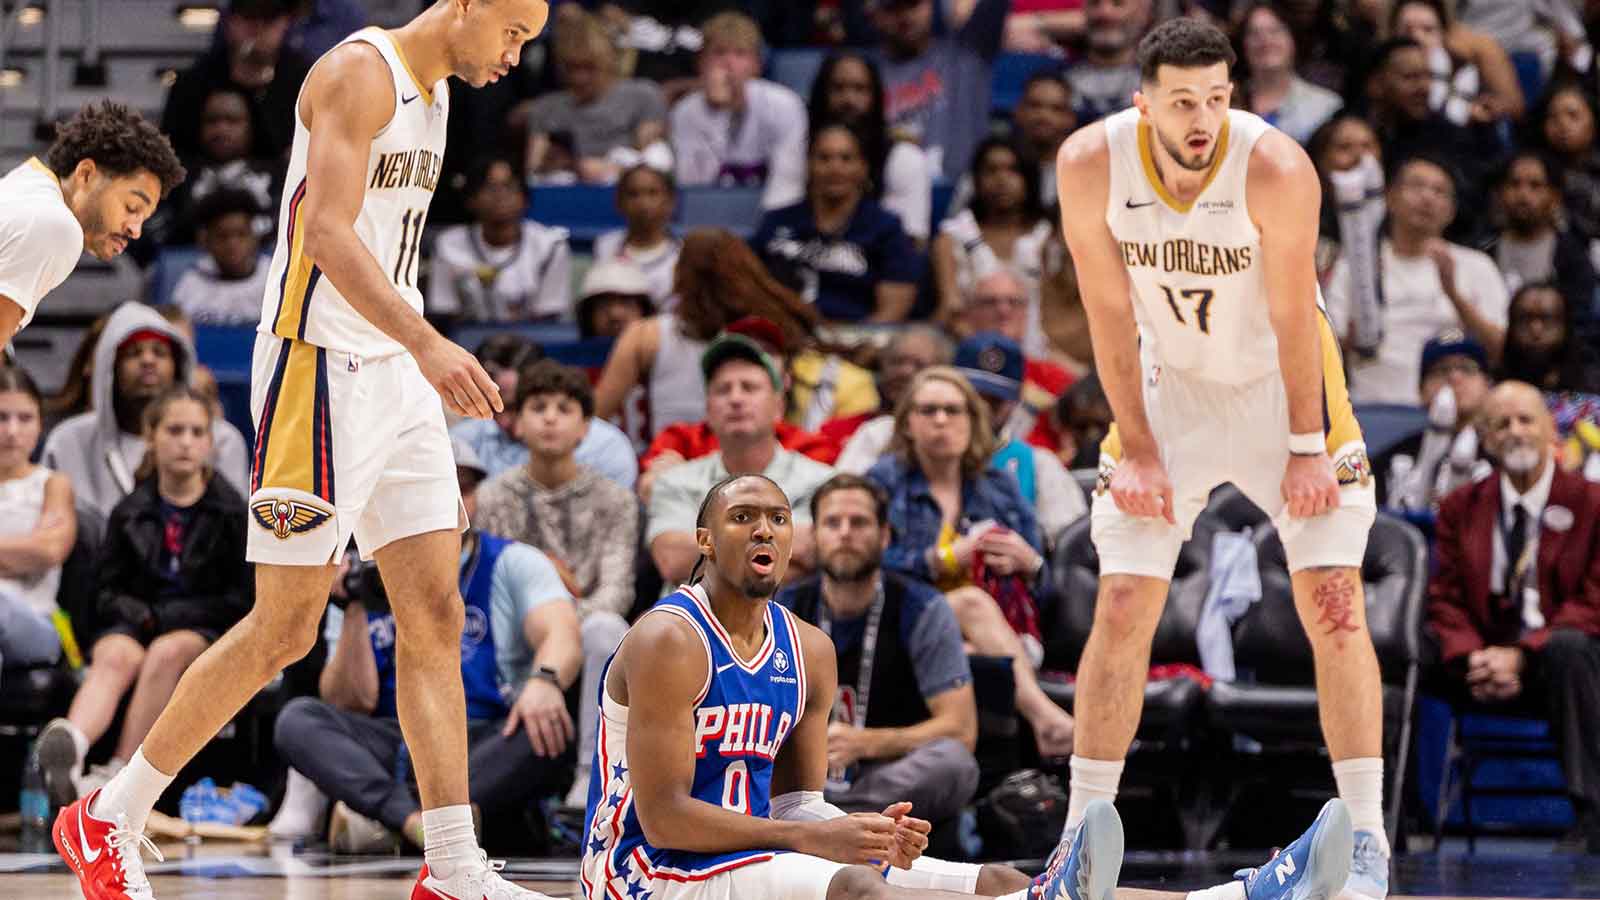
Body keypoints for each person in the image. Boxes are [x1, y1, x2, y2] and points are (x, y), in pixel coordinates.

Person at [49, 4, 563, 900]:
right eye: (513, 33)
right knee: (286, 628)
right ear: (469, 3)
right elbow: (324, 231)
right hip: (316, 368)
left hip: (394, 367)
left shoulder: (438, 92)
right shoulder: (358, 74)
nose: (515, 59)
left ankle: (450, 870)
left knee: (434, 613)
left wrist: (415, 350)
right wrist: (433, 343)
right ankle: (109, 815)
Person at [584, 471, 1355, 900]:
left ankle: (1237, 898)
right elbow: (665, 819)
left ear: (795, 539)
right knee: (859, 889)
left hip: (749, 855)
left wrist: (860, 827)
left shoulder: (806, 649)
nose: (763, 531)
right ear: (705, 540)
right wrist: (820, 840)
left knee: (995, 880)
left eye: (778, 518)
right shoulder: (666, 639)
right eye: (743, 517)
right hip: (643, 873)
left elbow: (794, 802)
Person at [1054, 17, 1388, 898]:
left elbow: (1291, 317)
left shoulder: (1275, 166)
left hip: (1287, 391)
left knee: (1334, 605)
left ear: (1231, 94)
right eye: (1180, 102)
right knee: (1123, 603)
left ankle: (1368, 843)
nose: (1201, 119)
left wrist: (1307, 450)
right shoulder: (1091, 163)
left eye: (1215, 98)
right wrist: (1142, 447)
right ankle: (1078, 835)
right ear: (1142, 103)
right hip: (1171, 389)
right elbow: (1105, 312)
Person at [274, 437, 581, 852]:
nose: (453, 500)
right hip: (392, 738)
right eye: (436, 487)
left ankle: (390, 820)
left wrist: (544, 680)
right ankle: (423, 822)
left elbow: (562, 631)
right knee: (298, 720)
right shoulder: (364, 573)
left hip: (481, 738)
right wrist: (352, 610)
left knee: (547, 732)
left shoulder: (512, 560)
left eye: (465, 488)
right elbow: (348, 700)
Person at [36, 386, 249, 806]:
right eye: (174, 430)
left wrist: (167, 617)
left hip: (201, 628)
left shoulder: (231, 514)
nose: (185, 441)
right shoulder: (131, 510)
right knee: (116, 654)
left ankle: (118, 773)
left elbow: (240, 600)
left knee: (166, 654)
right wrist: (137, 616)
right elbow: (104, 590)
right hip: (138, 623)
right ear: (152, 437)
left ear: (209, 442)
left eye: (195, 431)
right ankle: (71, 747)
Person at [863, 366, 1076, 758]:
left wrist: (1030, 563)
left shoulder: (999, 486)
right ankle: (1047, 719)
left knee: (978, 655)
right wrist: (944, 558)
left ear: (972, 421)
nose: (941, 420)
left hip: (992, 632)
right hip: (905, 622)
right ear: (907, 423)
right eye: (928, 411)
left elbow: (1047, 589)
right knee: (970, 603)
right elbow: (868, 567)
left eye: (952, 410)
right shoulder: (882, 482)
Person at [1425, 380, 1600, 854]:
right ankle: (1387, 816)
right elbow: (1445, 598)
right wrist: (1473, 657)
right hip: (1480, 657)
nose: (1515, 432)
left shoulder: (1591, 501)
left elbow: (1593, 600)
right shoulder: (1462, 507)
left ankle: (1591, 819)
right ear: (1485, 439)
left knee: (1573, 650)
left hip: (1557, 658)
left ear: (1550, 431)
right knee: (1410, 649)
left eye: (1526, 420)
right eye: (1501, 423)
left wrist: (1522, 656)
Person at [473, 360, 637, 809]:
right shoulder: (491, 497)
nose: (549, 417)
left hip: (583, 635)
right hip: (509, 632)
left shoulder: (615, 500)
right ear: (516, 423)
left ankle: (593, 774)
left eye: (564, 408)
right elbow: (484, 583)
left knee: (608, 626)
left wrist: (557, 620)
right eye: (538, 406)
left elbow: (617, 589)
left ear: (586, 428)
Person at [776, 474, 980, 824]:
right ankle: (833, 824)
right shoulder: (784, 608)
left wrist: (868, 742)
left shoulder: (922, 608)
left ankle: (832, 826)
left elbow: (960, 729)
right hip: (802, 781)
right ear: (813, 537)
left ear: (885, 536)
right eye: (832, 523)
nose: (844, 533)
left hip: (884, 778)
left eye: (859, 523)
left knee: (953, 763)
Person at [593, 228, 827, 442]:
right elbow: (595, 419)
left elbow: (595, 416)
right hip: (670, 466)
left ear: (679, 276)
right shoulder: (647, 336)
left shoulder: (768, 332)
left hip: (747, 461)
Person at [646, 333, 835, 589]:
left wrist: (709, 551)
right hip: (688, 625)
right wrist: (777, 545)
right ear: (708, 410)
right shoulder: (676, 482)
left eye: (749, 387)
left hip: (785, 624)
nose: (735, 399)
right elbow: (672, 558)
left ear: (778, 405)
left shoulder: (821, 482)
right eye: (723, 389)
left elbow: (814, 548)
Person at [1324, 155, 1510, 405]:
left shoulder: (1476, 265)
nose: (1427, 197)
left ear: (1451, 210)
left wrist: (1454, 294)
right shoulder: (1354, 266)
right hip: (1373, 405)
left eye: (1439, 191)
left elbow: (1501, 350)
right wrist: (1354, 334)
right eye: (1416, 186)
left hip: (1453, 409)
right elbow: (1325, 352)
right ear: (1389, 198)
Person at [41, 302, 250, 521]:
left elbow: (233, 529)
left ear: (178, 365)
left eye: (159, 353)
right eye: (133, 353)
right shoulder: (68, 441)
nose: (148, 360)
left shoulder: (222, 439)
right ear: (110, 368)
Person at [0, 101, 183, 341]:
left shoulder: (25, 184)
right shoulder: (56, 226)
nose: (136, 230)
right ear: (86, 174)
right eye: (132, 207)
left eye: (144, 218)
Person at [750, 122, 923, 324]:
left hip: (854, 340)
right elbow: (747, 287)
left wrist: (852, 345)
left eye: (846, 158)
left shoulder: (886, 228)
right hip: (782, 335)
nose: (835, 168)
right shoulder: (776, 221)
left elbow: (892, 310)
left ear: (863, 167)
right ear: (809, 165)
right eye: (824, 158)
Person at [764, 50, 934, 243]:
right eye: (838, 88)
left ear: (876, 97)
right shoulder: (796, 151)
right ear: (822, 94)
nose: (849, 100)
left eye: (860, 89)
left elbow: (910, 244)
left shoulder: (904, 157)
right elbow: (776, 227)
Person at [449, 335, 639, 488]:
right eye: (494, 408)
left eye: (516, 408)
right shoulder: (460, 441)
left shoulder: (606, 447)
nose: (507, 422)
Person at [525, 10, 669, 184]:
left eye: (589, 67)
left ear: (609, 61)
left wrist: (603, 169)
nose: (579, 78)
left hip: (624, 186)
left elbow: (652, 164)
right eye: (572, 67)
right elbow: (533, 172)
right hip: (569, 191)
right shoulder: (545, 109)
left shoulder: (643, 95)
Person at [933, 138, 1053, 344]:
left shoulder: (1049, 237)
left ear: (1029, 178)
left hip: (1042, 348)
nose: (1001, 180)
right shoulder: (952, 236)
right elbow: (951, 309)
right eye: (991, 170)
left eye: (1013, 170)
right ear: (976, 180)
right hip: (968, 346)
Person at [159, 0, 313, 161]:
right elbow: (171, 157)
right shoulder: (193, 84)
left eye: (269, 19)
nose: (257, 27)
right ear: (229, 21)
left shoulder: (307, 82)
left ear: (286, 22)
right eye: (249, 17)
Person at [670, 12, 807, 190]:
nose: (728, 63)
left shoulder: (785, 105)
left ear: (757, 65)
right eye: (719, 52)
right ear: (701, 63)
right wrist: (716, 113)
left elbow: (789, 180)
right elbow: (693, 185)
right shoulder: (685, 111)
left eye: (740, 53)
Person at [427, 156, 573, 322]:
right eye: (490, 187)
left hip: (534, 343)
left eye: (509, 186)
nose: (500, 195)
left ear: (524, 197)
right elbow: (443, 313)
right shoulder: (447, 245)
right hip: (463, 344)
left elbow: (549, 317)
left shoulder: (551, 245)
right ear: (470, 199)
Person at [874, 0, 1010, 179]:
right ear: (874, 14)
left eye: (913, 5)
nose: (905, 17)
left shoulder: (969, 52)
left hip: (964, 190)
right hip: (888, 189)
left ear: (931, 5)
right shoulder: (860, 71)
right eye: (892, 8)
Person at [0, 368, 76, 672]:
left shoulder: (53, 484)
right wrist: (19, 553)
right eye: (2, 417)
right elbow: (32, 550)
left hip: (38, 622)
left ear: (41, 423)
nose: (12, 431)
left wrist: (33, 551)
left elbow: (48, 551)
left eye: (25, 418)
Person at [1375, 332, 1494, 510]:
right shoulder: (1395, 459)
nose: (1454, 378)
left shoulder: (1500, 457)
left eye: (1467, 368)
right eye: (1441, 370)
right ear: (1421, 391)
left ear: (1488, 385)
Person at [1480, 149, 1597, 310]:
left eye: (1535, 186)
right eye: (1514, 184)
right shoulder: (1483, 252)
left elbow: (1578, 320)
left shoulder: (1573, 258)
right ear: (1501, 194)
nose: (1523, 195)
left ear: (1555, 197)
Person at [1388, 0, 1524, 127]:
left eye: (1428, 30)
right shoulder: (1382, 75)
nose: (1417, 38)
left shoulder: (1465, 67)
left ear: (1443, 35)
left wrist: (1487, 110)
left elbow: (1513, 107)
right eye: (1407, 30)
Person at [826, 326, 953, 455]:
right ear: (883, 364)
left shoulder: (949, 436)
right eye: (897, 362)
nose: (904, 372)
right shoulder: (839, 429)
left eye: (919, 365)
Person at [1232, 2, 1343, 145]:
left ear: (1293, 40)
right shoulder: (1227, 104)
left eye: (1275, 31)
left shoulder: (1326, 107)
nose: (1265, 40)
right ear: (1243, 46)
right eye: (1254, 33)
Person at [170, 188, 271, 325]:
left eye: (241, 234)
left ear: (254, 237)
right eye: (222, 236)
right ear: (205, 241)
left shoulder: (274, 278)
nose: (232, 244)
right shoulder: (192, 284)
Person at [592, 165, 681, 305]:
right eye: (633, 194)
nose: (643, 202)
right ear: (619, 202)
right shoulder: (604, 246)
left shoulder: (682, 253)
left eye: (653, 193)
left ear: (670, 201)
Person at [1533, 81, 1600, 242]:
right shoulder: (1533, 170)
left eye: (1573, 115)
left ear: (1593, 122)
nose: (1562, 124)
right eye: (1553, 117)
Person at [1063, 0, 1149, 123]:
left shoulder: (1162, 80)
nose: (1105, 13)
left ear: (1142, 13)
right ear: (1084, 12)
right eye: (1094, 3)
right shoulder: (1056, 77)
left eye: (1118, 4)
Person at [1013, 72, 1079, 207]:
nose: (1044, 116)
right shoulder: (992, 168)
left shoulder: (1086, 173)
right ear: (1018, 111)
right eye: (1035, 106)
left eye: (1056, 109)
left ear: (1071, 118)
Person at [576, 259, 655, 341]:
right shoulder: (572, 353)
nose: (615, 314)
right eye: (604, 305)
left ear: (645, 312)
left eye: (627, 303)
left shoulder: (664, 353)